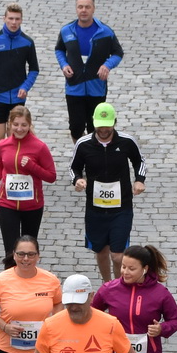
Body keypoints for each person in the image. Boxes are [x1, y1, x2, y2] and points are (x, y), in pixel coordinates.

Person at [69, 104, 144, 283]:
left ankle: (119, 287)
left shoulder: (126, 141)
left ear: (114, 123)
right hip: (95, 208)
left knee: (117, 255)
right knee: (101, 251)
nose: (104, 130)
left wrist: (139, 180)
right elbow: (74, 167)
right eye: (100, 126)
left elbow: (139, 161)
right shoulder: (83, 144)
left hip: (121, 207)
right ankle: (107, 284)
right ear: (94, 123)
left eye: (108, 126)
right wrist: (77, 180)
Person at [0, 105, 56, 270]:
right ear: (10, 124)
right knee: (11, 253)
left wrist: (32, 166)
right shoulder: (3, 145)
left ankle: (27, 281)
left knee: (28, 253)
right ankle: (10, 284)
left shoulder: (39, 147)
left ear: (30, 125)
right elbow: (0, 167)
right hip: (7, 204)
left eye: (24, 125)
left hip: (32, 206)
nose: (19, 128)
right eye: (16, 124)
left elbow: (51, 176)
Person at [55, 0, 122, 142]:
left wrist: (107, 65)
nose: (83, 10)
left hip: (96, 86)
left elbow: (118, 53)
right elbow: (59, 49)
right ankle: (80, 151)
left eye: (87, 7)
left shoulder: (105, 32)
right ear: (76, 9)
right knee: (76, 127)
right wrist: (64, 64)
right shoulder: (66, 31)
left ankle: (93, 153)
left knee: (95, 127)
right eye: (80, 7)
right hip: (74, 86)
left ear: (93, 9)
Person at [0, 6, 41, 142]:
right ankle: (0, 153)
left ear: (21, 20)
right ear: (4, 19)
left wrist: (25, 87)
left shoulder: (27, 42)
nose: (14, 22)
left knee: (14, 135)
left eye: (17, 19)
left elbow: (34, 69)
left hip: (18, 96)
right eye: (11, 18)